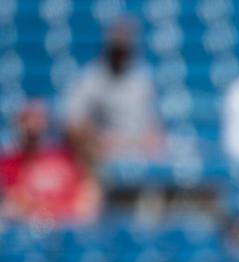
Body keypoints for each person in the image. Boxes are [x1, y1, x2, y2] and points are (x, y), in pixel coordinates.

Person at [63, 18, 163, 161]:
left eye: (124, 49)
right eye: (117, 50)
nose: (121, 55)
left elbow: (154, 125)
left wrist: (151, 140)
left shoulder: (142, 78)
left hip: (140, 153)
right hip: (105, 154)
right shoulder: (91, 78)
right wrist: (98, 139)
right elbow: (72, 123)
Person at [0, 101, 101, 225]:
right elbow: (18, 201)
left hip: (67, 224)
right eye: (26, 121)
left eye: (37, 120)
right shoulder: (9, 162)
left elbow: (85, 198)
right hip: (31, 226)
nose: (32, 127)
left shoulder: (64, 158)